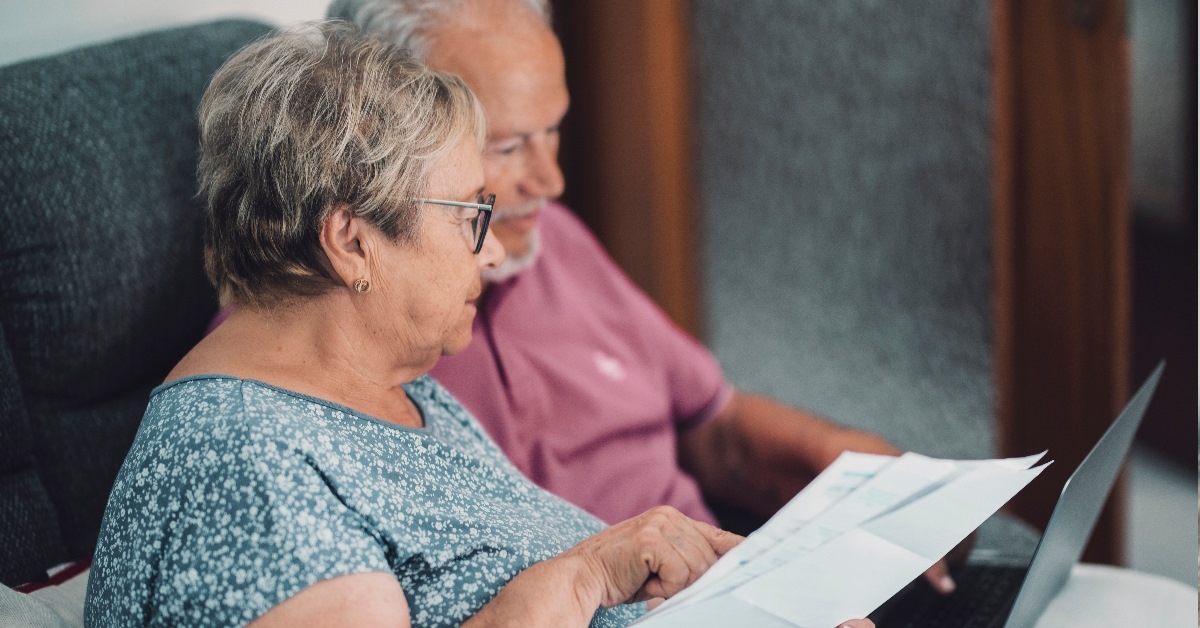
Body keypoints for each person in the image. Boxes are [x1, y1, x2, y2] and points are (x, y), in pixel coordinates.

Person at [85, 23, 876, 628]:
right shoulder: (242, 467)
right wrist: (582, 576)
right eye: (470, 216)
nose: (493, 250)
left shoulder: (396, 393)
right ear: (351, 241)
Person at [322, 0, 964, 595]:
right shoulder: (338, 348)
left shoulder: (554, 240)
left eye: (554, 131)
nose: (551, 180)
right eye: (509, 146)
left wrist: (851, 469)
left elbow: (716, 432)